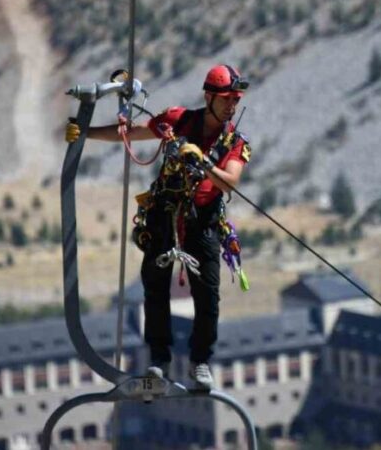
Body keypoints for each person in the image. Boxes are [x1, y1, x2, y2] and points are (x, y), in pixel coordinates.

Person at [65, 64, 252, 390]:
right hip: (164, 213)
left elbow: (230, 182)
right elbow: (132, 133)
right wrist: (86, 132)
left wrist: (205, 162)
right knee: (154, 287)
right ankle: (159, 359)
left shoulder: (235, 142)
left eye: (235, 99)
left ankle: (200, 362)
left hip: (203, 220)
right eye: (226, 98)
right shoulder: (179, 120)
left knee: (207, 296)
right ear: (208, 96)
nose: (232, 105)